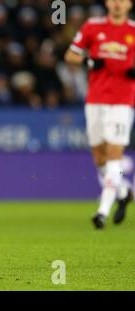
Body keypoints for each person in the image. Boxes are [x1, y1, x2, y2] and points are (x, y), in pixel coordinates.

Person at [64, 0, 135, 229]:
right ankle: (124, 192)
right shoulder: (92, 26)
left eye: (122, 0)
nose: (117, 4)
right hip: (95, 100)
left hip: (122, 102)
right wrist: (89, 60)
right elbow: (70, 56)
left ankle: (102, 211)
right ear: (107, 3)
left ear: (129, 4)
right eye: (114, 0)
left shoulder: (133, 31)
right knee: (99, 156)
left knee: (114, 152)